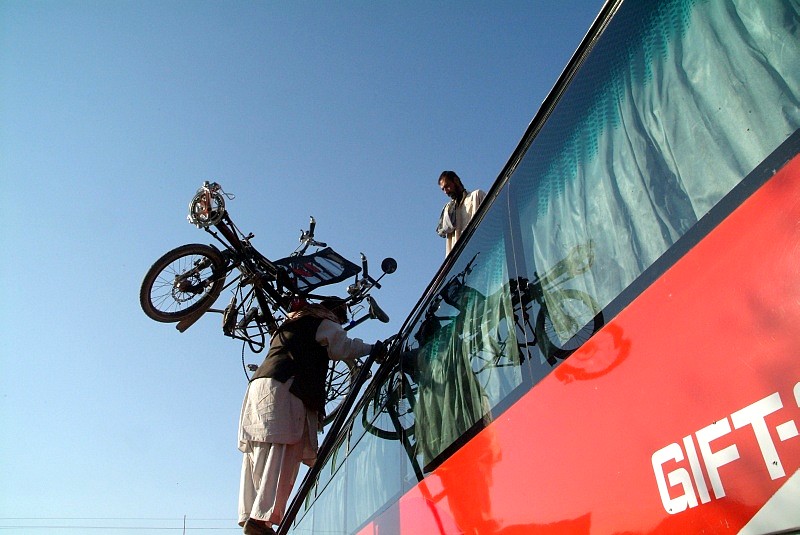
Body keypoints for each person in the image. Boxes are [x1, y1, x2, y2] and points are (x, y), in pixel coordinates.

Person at [237, 298, 384, 535]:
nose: (340, 324)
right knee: (284, 450)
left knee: (259, 451)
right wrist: (372, 349)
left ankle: (249, 515)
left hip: (259, 386)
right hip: (287, 387)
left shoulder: (292, 322)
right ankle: (261, 520)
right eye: (341, 319)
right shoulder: (322, 321)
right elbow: (341, 347)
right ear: (335, 312)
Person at [436, 170, 486, 256]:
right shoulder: (448, 209)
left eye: (447, 186)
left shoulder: (476, 197)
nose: (446, 192)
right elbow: (442, 230)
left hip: (479, 252)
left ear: (456, 180)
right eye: (443, 189)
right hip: (459, 259)